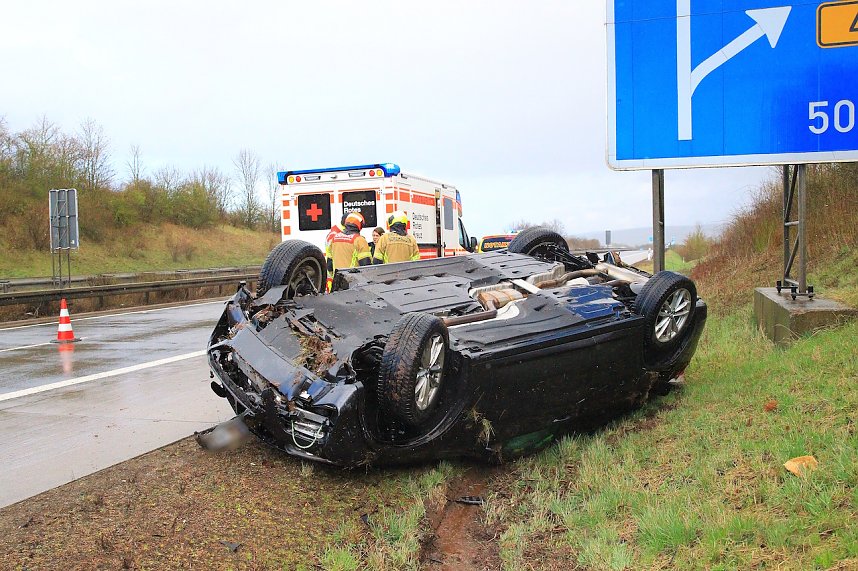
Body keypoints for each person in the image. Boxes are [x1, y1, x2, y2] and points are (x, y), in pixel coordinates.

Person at [325, 212, 372, 289]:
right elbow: (366, 265)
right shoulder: (359, 240)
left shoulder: (334, 239)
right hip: (353, 283)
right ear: (359, 225)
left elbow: (329, 264)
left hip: (337, 283)